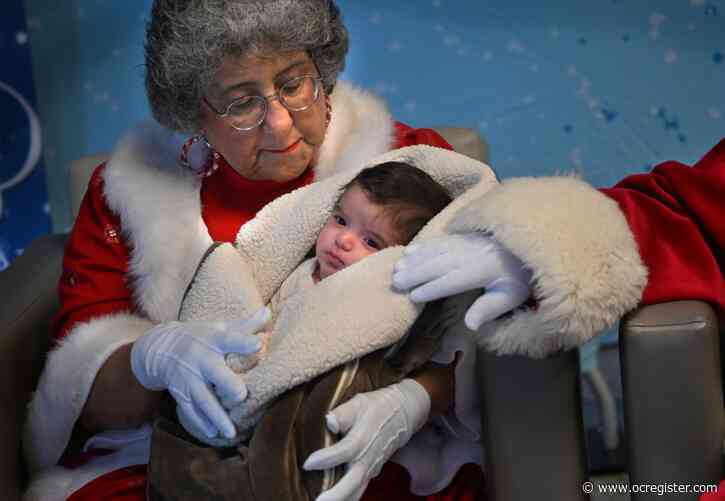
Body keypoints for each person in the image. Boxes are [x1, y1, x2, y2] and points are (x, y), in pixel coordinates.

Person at [22, 0, 725, 499]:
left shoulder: (407, 164)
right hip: (171, 459)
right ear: (191, 111)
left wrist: (414, 401)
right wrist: (153, 358)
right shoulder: (130, 193)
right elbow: (83, 394)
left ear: (321, 69)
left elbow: (482, 339)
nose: (277, 120)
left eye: (293, 82)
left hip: (365, 451)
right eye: (238, 101)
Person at [224, 161, 454, 376]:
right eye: (341, 221)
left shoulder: (372, 308)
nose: (343, 239)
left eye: (371, 242)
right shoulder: (300, 270)